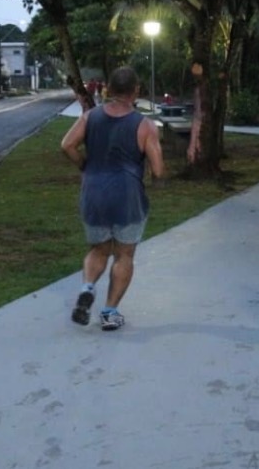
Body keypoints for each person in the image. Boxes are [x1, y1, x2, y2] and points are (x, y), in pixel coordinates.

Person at [60, 66, 165, 331]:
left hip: (94, 192)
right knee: (124, 254)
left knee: (98, 249)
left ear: (108, 89)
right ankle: (109, 312)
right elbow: (159, 169)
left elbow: (66, 145)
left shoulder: (90, 117)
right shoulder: (144, 125)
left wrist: (85, 165)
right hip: (127, 195)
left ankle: (87, 287)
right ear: (136, 91)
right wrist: (154, 183)